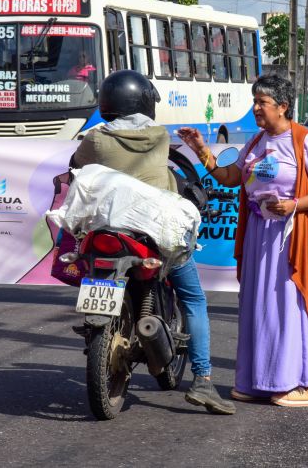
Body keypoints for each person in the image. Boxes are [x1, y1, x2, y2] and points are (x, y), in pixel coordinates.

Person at [71, 70, 235, 416]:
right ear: (145, 102)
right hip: (155, 235)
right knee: (193, 297)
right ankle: (203, 379)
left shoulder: (96, 140)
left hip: (110, 233)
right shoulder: (159, 136)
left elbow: (76, 165)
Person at [177, 74, 308, 407]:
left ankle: (301, 383)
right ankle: (259, 380)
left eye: (261, 102)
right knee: (258, 307)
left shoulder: (304, 141)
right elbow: (230, 177)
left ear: (282, 107)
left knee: (288, 306)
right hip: (258, 235)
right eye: (254, 101)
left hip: (291, 238)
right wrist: (200, 150)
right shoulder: (255, 142)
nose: (255, 109)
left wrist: (294, 205)